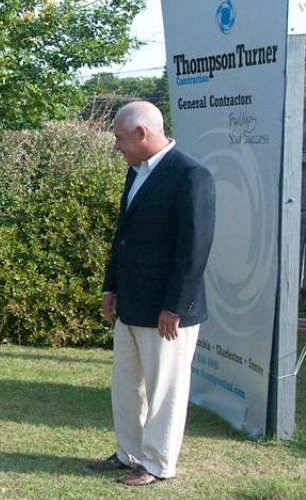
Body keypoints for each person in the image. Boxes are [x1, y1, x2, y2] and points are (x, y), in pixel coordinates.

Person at [90, 101, 215, 486]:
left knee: (165, 389)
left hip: (167, 311)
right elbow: (123, 236)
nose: (116, 146)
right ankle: (129, 452)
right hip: (130, 304)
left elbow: (194, 249)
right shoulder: (137, 172)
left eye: (119, 138)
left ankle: (158, 464)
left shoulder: (191, 175)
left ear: (143, 134)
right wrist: (111, 286)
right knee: (127, 385)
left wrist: (174, 307)